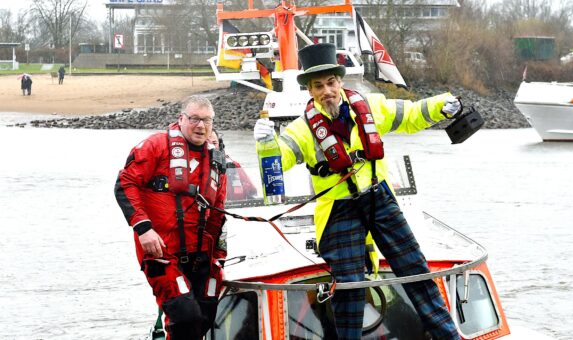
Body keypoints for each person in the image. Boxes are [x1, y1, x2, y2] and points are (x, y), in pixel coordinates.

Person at [253, 43, 462, 339]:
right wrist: (266, 143)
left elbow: (412, 114)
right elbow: (280, 161)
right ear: (310, 91)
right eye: (318, 86)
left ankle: (449, 336)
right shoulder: (301, 129)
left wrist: (444, 104)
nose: (327, 90)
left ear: (340, 82)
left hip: (381, 199)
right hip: (338, 211)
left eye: (330, 82)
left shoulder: (372, 107)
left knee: (416, 271)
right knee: (350, 287)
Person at [114, 95, 228, 339]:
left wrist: (219, 257)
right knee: (186, 316)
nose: (201, 126)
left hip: (201, 257)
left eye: (206, 120)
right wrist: (143, 228)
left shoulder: (217, 162)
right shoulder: (156, 146)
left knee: (205, 317)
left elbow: (218, 214)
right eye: (194, 119)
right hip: (162, 253)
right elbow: (125, 183)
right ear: (181, 119)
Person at [208, 130, 257, 200]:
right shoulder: (192, 168)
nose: (211, 147)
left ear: (220, 145)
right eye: (207, 144)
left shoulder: (234, 166)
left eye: (214, 143)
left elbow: (252, 193)